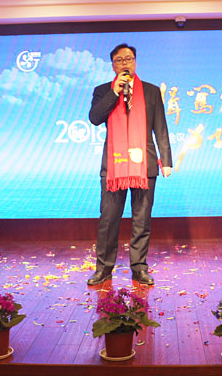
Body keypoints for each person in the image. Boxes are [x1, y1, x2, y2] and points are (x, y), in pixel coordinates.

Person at [87, 43, 172, 286]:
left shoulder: (151, 91)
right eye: (120, 60)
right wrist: (114, 93)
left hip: (144, 165)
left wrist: (166, 160)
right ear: (113, 65)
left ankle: (139, 268)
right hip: (114, 167)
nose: (125, 63)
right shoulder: (102, 90)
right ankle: (103, 269)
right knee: (108, 220)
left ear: (135, 62)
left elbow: (160, 126)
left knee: (142, 221)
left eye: (129, 59)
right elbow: (95, 118)